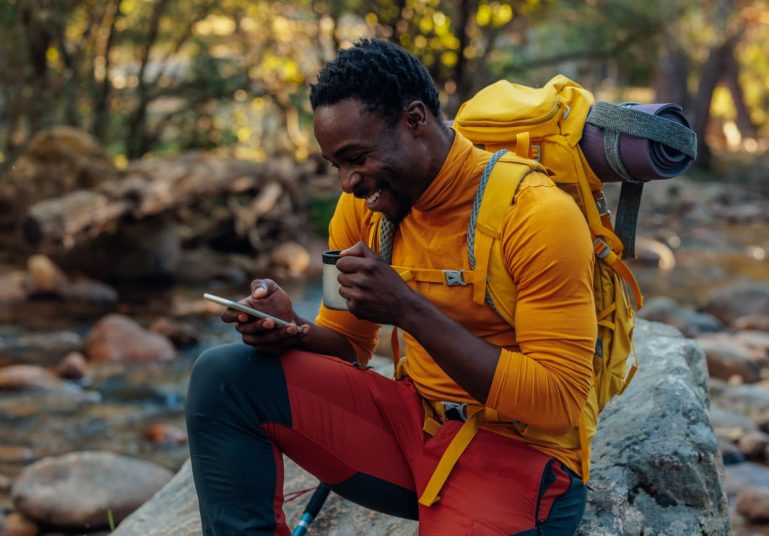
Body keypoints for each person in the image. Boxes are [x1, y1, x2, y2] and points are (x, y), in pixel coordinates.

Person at [185, 38, 597, 535]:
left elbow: (556, 403)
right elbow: (347, 346)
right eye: (335, 164)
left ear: (416, 119)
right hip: (413, 426)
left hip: (520, 455)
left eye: (356, 157)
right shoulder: (364, 209)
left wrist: (407, 308)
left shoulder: (537, 215)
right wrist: (288, 327)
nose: (347, 182)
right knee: (224, 376)